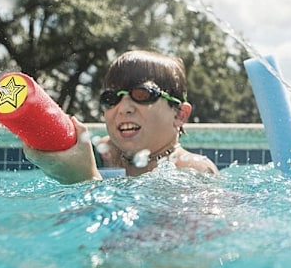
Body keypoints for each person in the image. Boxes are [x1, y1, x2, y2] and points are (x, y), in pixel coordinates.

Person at [24, 50, 218, 183]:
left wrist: (83, 179)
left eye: (142, 94)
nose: (123, 108)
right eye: (111, 98)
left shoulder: (193, 171)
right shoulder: (103, 155)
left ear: (179, 114)